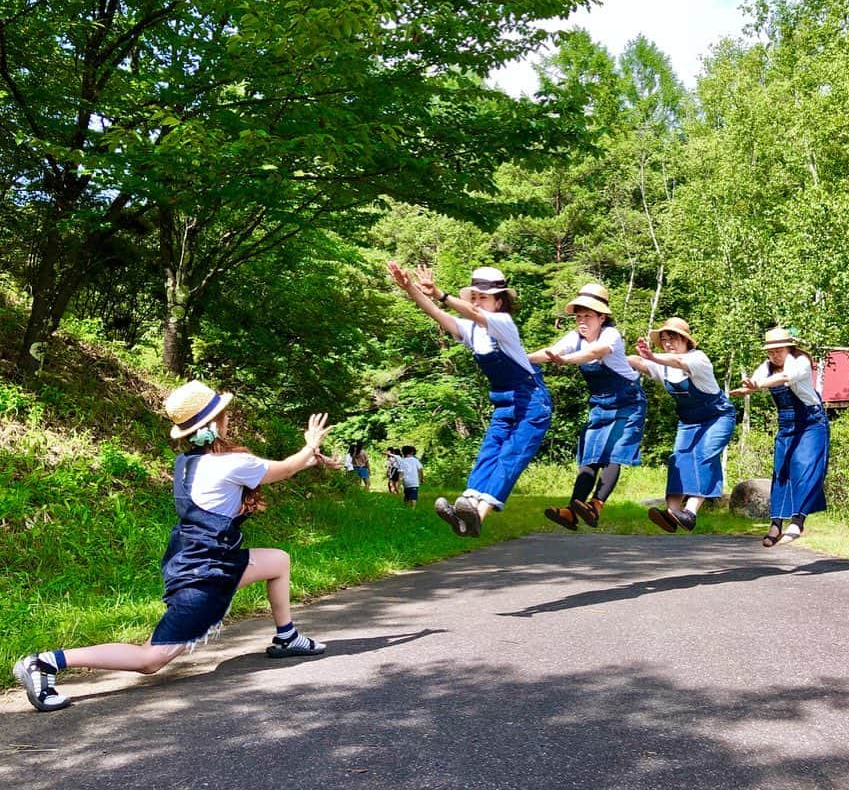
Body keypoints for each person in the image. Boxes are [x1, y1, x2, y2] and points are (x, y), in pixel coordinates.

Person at [12, 380, 332, 713]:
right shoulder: (231, 464)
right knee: (151, 659)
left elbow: (268, 473)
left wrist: (308, 460)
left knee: (278, 561)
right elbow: (285, 468)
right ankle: (46, 662)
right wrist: (309, 446)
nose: (228, 418)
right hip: (207, 574)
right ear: (213, 424)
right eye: (224, 413)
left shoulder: (189, 464)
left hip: (198, 560)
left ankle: (287, 636)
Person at [387, 261, 552, 537]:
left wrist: (440, 292)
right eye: (473, 297)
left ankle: (478, 516)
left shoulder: (503, 323)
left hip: (531, 402)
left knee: (510, 457)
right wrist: (411, 289)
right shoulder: (473, 330)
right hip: (503, 402)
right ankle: (467, 509)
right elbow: (439, 314)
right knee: (488, 453)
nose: (476, 302)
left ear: (499, 302)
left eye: (483, 297)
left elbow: (463, 310)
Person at [528, 283, 646, 530]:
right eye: (579, 316)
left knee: (613, 455)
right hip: (600, 405)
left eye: (588, 316)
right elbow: (552, 351)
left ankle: (597, 505)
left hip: (628, 403)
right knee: (590, 458)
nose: (582, 321)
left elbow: (594, 353)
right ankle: (572, 511)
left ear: (602, 317)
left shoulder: (610, 335)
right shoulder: (574, 338)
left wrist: (565, 360)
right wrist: (523, 358)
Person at [629, 317, 736, 534]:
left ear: (685, 340)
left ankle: (691, 513)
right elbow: (640, 363)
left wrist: (652, 356)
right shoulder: (662, 367)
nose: (668, 343)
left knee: (704, 455)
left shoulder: (698, 358)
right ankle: (671, 513)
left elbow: (677, 362)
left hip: (717, 416)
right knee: (678, 459)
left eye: (673, 338)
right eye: (664, 339)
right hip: (688, 420)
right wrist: (612, 357)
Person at [730, 327, 830, 546]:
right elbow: (755, 381)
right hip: (787, 424)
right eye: (771, 351)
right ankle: (776, 524)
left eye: (779, 350)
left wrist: (758, 385)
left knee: (805, 467)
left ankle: (798, 522)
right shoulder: (765, 367)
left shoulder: (799, 361)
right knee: (781, 471)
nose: (775, 354)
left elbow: (785, 378)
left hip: (811, 423)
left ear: (789, 347)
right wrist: (747, 388)